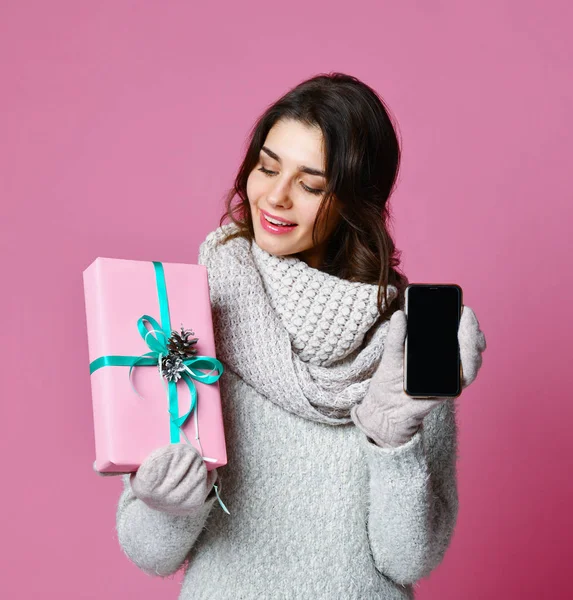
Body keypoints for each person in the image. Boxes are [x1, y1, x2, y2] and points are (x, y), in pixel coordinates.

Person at [95, 72, 487, 599]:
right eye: (267, 167)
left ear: (356, 201)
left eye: (310, 184)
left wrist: (395, 442)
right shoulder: (194, 316)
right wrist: (168, 505)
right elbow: (150, 553)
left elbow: (408, 559)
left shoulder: (405, 346)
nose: (276, 197)